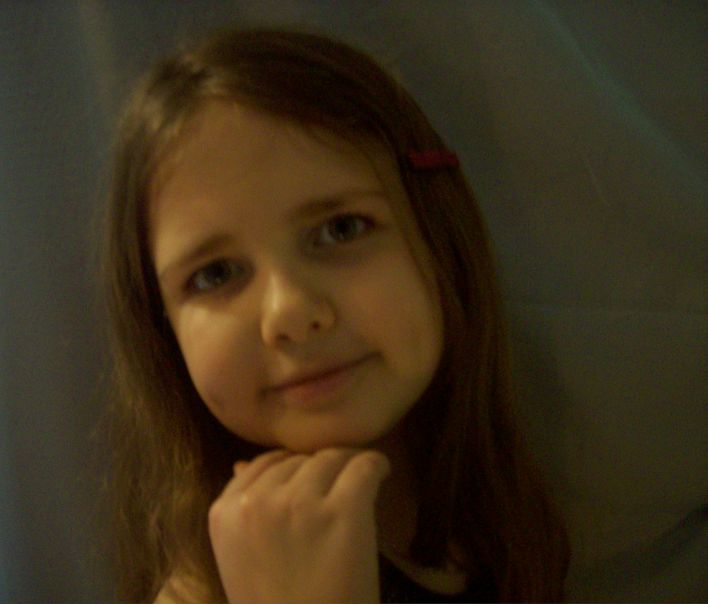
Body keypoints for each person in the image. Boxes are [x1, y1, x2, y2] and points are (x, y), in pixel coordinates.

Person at [102, 27, 570, 604]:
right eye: (216, 274)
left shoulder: (495, 509)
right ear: (163, 332)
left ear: (441, 238)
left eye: (341, 229)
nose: (290, 312)